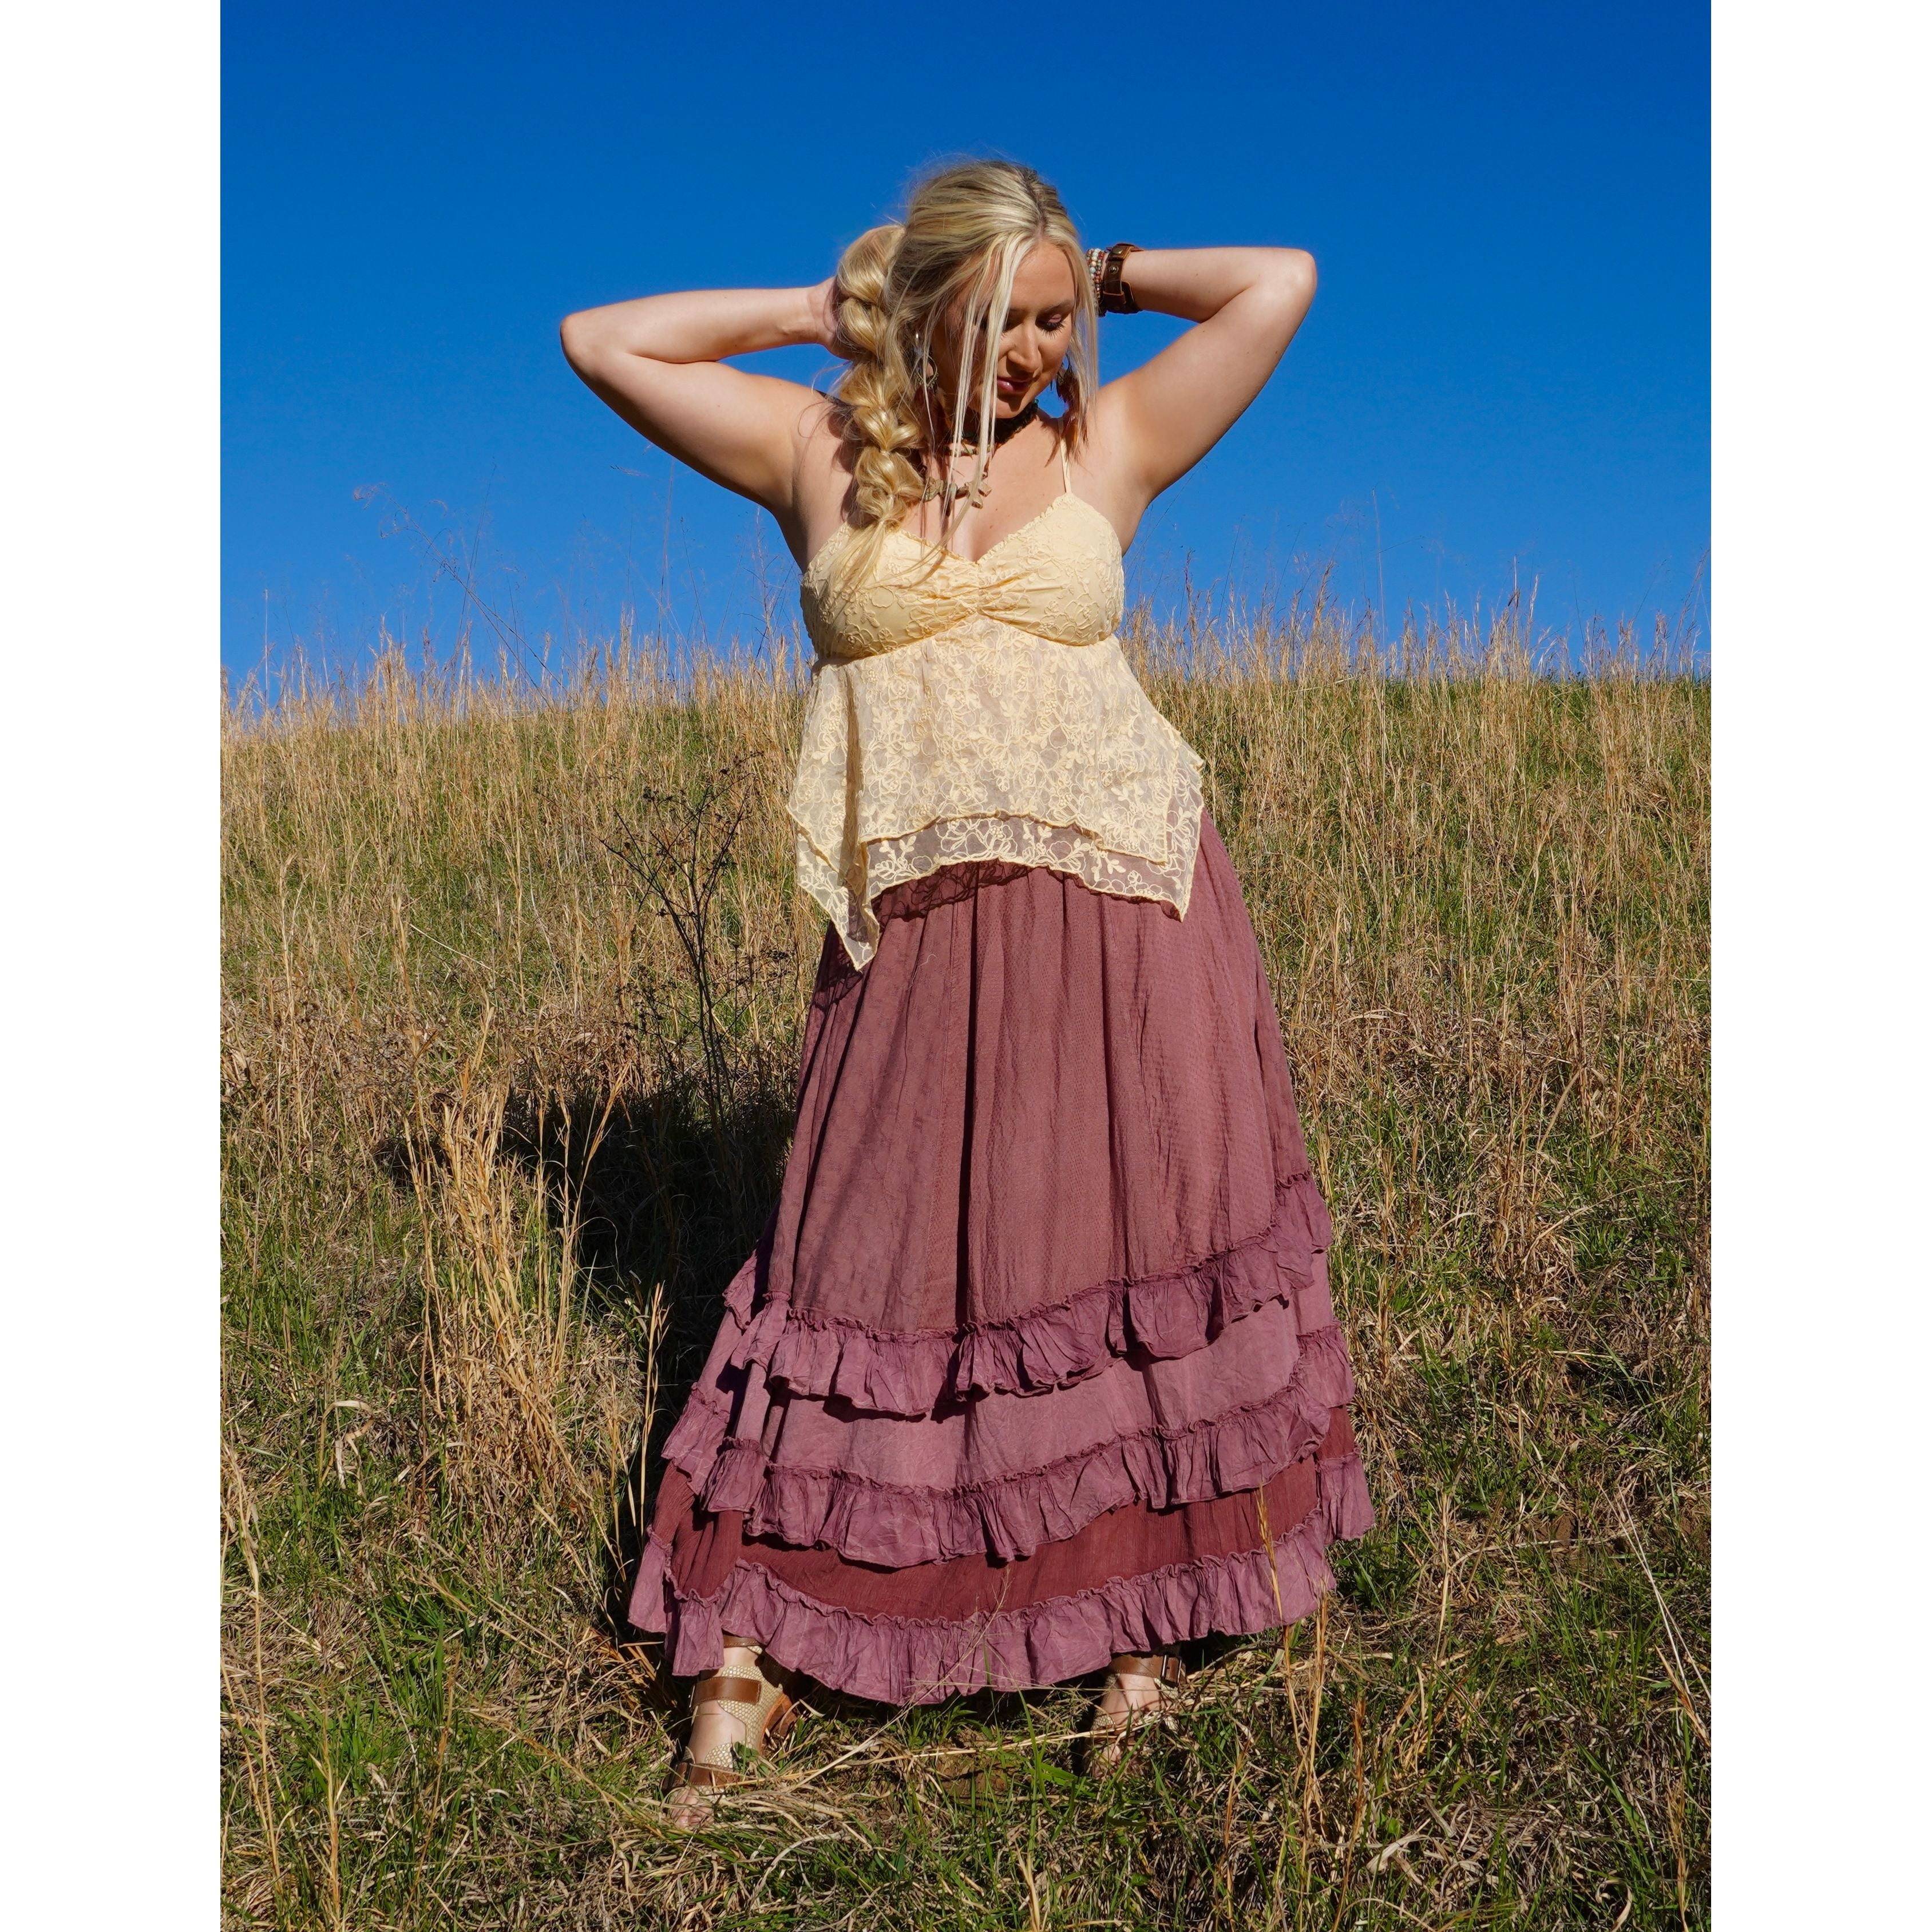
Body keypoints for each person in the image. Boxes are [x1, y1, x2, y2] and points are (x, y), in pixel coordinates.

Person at [560, 158, 1372, 1824]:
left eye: (1057, 320)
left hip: (1129, 906)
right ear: (932, 304)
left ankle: (1143, 1621)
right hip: (917, 926)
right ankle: (757, 1643)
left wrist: (1103, 267)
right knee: (855, 1263)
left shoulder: (1102, 446)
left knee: (1129, 1248)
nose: (1036, 351)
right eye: (1007, 317)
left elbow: (1280, 279)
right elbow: (604, 341)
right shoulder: (817, 452)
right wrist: (817, 313)